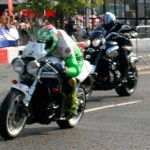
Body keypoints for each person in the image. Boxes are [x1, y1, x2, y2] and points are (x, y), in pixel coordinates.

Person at [37, 20, 84, 118]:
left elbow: (75, 68)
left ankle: (72, 104)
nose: (44, 45)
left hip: (72, 58)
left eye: (47, 42)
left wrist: (67, 71)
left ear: (54, 39)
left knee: (68, 78)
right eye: (41, 42)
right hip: (53, 58)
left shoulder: (64, 43)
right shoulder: (44, 40)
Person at [100, 12, 133, 82]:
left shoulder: (119, 26)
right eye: (103, 21)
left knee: (122, 51)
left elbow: (130, 29)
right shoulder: (102, 29)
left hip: (124, 45)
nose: (105, 23)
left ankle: (124, 75)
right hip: (111, 47)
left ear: (112, 20)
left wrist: (127, 33)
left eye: (107, 21)